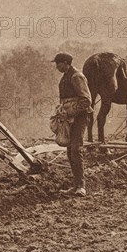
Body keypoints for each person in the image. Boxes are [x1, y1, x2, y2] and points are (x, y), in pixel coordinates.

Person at [52, 53, 93, 197]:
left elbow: (86, 101)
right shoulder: (66, 77)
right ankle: (75, 185)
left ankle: (81, 186)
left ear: (65, 63)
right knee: (70, 151)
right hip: (69, 118)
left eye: (58, 63)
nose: (56, 67)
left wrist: (69, 113)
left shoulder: (76, 77)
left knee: (76, 149)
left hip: (80, 118)